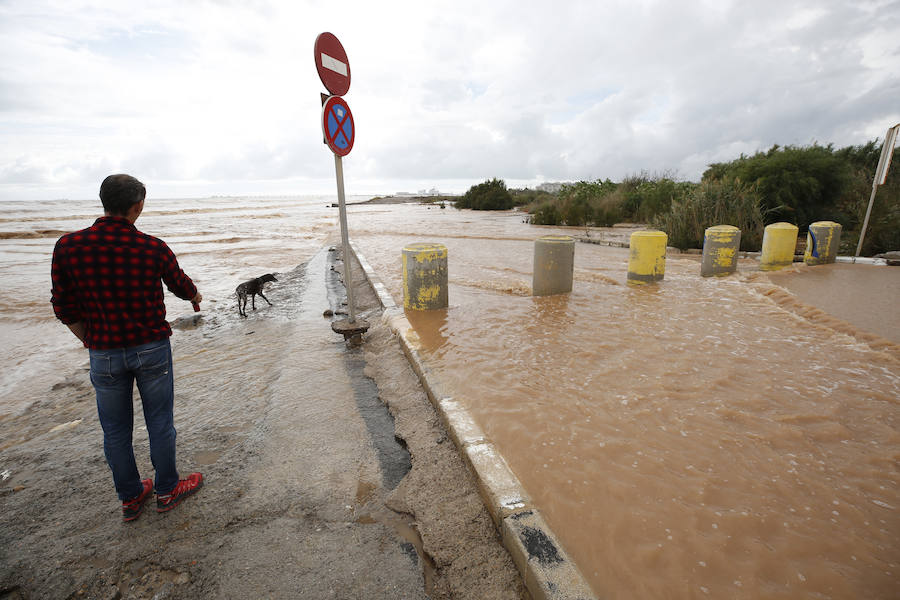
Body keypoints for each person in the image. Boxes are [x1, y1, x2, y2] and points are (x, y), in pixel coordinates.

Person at [51, 174, 204, 522]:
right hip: (150, 348)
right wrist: (195, 295)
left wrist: (89, 341)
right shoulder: (152, 247)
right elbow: (180, 285)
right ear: (137, 207)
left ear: (104, 202)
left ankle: (131, 498)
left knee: (116, 430)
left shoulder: (68, 246)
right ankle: (167, 490)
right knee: (160, 422)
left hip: (103, 352)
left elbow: (62, 306)